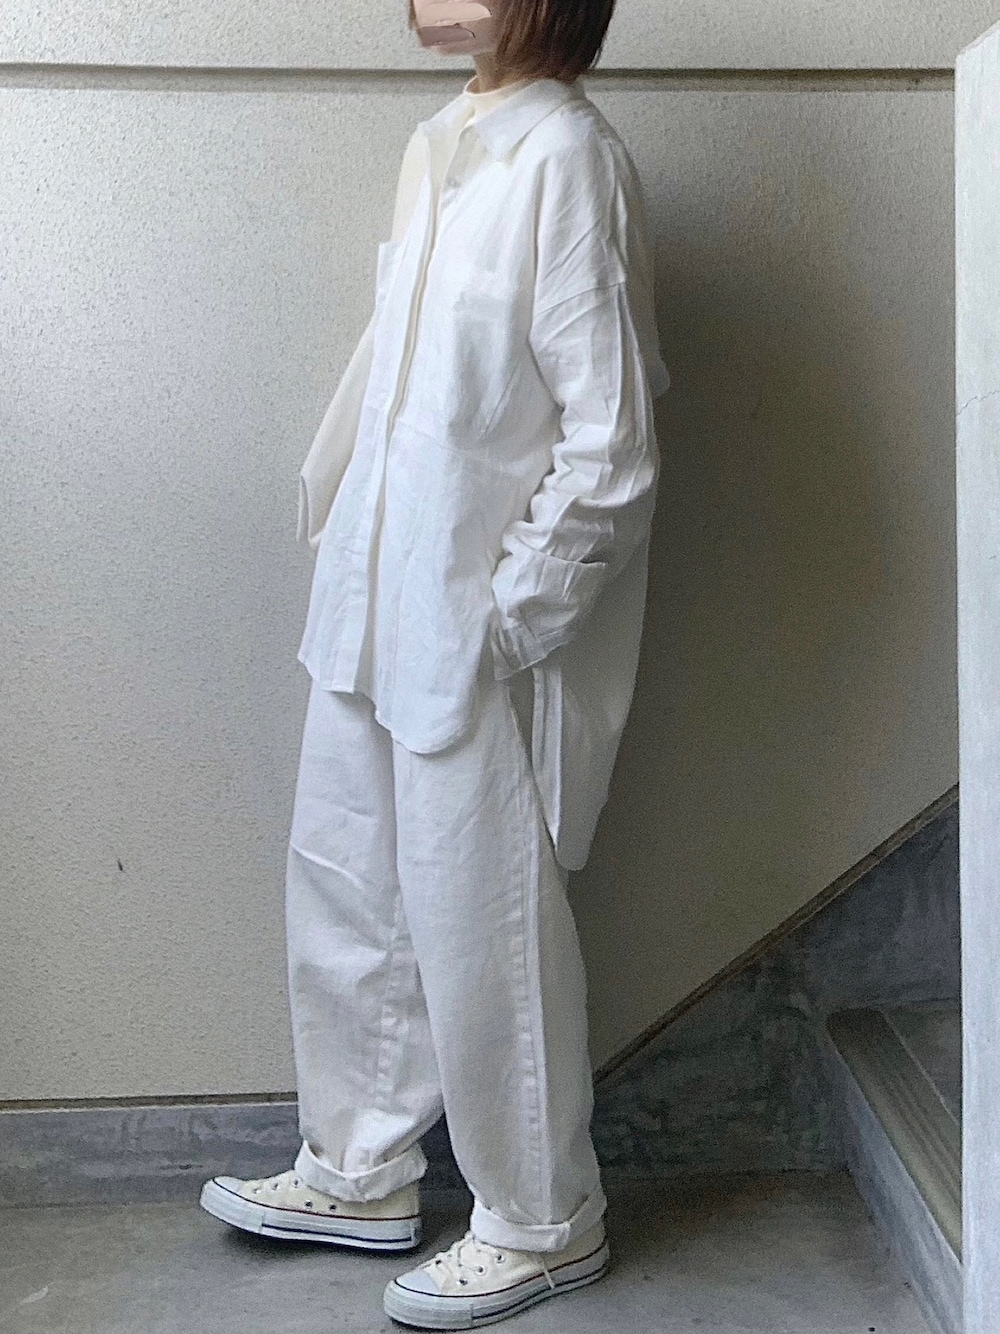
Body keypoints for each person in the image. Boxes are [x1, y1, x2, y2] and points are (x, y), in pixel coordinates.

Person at [199, 0, 670, 1326]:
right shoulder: (446, 143)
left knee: (485, 924)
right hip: (374, 590)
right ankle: (360, 1170)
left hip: (470, 625)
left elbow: (612, 442)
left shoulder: (566, 160)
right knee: (346, 880)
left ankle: (543, 1218)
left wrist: (509, 617)